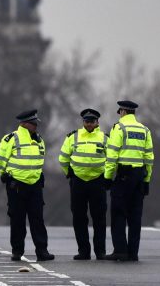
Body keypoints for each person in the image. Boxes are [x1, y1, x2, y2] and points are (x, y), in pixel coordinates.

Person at [0, 109, 53, 262]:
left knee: (37, 220)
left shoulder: (39, 140)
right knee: (17, 220)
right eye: (33, 124)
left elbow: (40, 159)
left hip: (35, 186)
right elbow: (0, 159)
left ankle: (42, 251)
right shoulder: (11, 139)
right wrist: (4, 174)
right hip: (17, 185)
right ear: (25, 124)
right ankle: (17, 251)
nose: (36, 127)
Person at [103, 100, 154, 262]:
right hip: (139, 177)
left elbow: (112, 155)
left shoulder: (119, 128)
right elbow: (149, 158)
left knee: (118, 213)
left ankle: (120, 250)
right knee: (135, 216)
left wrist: (107, 177)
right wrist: (146, 180)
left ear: (123, 112)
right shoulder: (145, 130)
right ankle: (133, 253)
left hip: (123, 176)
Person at [58, 108, 108, 260]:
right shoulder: (73, 137)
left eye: (92, 121)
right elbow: (63, 158)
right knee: (79, 217)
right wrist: (69, 173)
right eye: (87, 121)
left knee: (99, 218)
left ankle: (100, 251)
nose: (89, 124)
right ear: (83, 122)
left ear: (97, 122)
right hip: (78, 182)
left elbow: (112, 159)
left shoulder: (105, 138)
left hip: (98, 182)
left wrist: (107, 177)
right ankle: (83, 251)